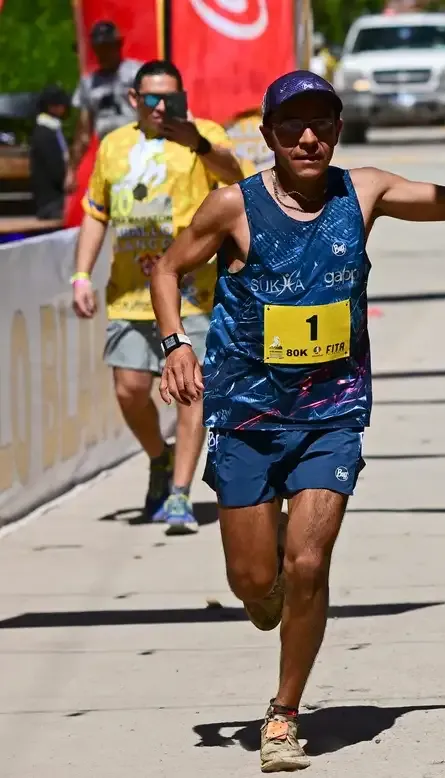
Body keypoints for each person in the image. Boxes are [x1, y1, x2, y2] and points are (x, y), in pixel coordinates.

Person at [150, 71, 445, 772]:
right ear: (269, 137)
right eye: (292, 126)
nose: (309, 138)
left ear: (339, 131)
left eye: (322, 123)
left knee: (309, 561)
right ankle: (272, 591)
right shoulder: (234, 206)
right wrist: (174, 344)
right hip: (248, 418)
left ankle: (283, 714)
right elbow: (167, 270)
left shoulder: (365, 190)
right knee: (255, 584)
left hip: (331, 414)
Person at [71, 60, 245, 534]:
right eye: (152, 98)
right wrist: (81, 274)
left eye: (172, 97)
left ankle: (180, 494)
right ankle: (159, 457)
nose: (163, 106)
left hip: (194, 295)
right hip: (130, 294)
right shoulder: (114, 145)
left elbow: (238, 177)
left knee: (192, 394)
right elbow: (96, 213)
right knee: (130, 391)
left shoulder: (203, 134)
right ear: (134, 99)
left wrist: (200, 144)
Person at [67, 21, 144, 194]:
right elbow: (83, 132)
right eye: (99, 48)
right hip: (109, 154)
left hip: (139, 150)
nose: (103, 53)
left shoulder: (137, 73)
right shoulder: (89, 83)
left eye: (107, 47)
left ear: (118, 45)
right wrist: (72, 170)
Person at [29, 85, 70, 220]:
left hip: (56, 201)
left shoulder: (52, 130)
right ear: (51, 107)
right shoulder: (45, 134)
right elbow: (58, 172)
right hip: (50, 204)